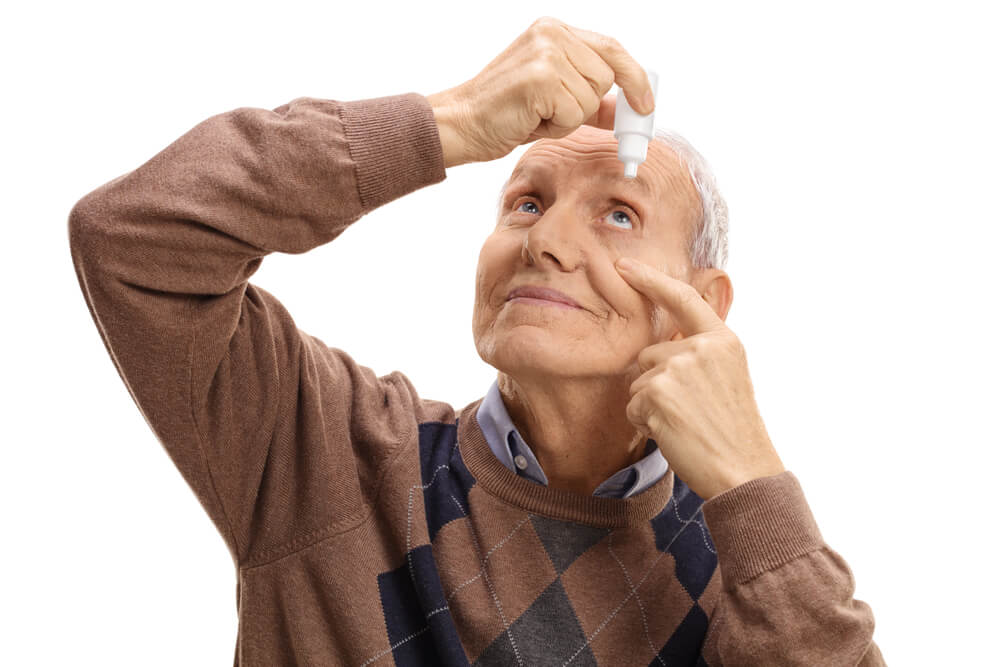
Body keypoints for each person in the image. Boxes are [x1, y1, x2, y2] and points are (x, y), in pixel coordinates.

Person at [68, 15, 885, 666]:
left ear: (699, 307)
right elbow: (132, 238)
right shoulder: (328, 452)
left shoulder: (747, 581)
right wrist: (450, 121)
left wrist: (751, 480)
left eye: (619, 213)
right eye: (526, 202)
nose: (547, 242)